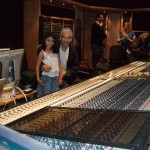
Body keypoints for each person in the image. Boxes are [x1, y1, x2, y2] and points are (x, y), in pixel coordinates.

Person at [36, 32, 62, 98]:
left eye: (52, 41)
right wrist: (38, 78)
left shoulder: (56, 52)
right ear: (44, 40)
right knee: (46, 96)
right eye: (48, 40)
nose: (50, 43)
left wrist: (60, 77)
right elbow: (37, 66)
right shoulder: (42, 53)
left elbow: (59, 65)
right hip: (46, 77)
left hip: (55, 78)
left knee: (56, 95)